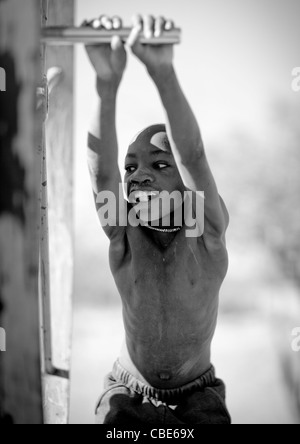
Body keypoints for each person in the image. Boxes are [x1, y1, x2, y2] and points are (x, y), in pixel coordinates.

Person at [84, 14, 231, 425]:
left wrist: (162, 73)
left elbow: (195, 159)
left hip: (198, 394)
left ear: (185, 184)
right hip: (126, 390)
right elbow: (102, 175)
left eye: (160, 163)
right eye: (131, 167)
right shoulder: (124, 234)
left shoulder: (205, 236)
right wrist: (106, 87)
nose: (138, 174)